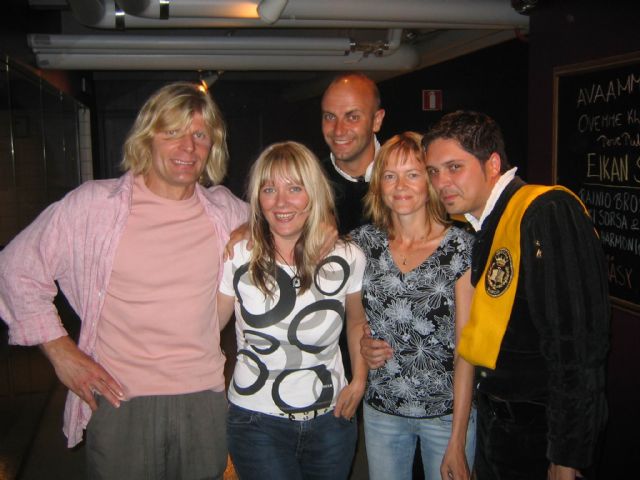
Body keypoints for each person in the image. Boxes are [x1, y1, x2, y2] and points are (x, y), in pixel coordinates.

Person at [0, 82, 249, 479]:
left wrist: (259, 230)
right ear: (147, 137)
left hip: (203, 398)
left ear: (212, 147)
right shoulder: (95, 206)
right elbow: (15, 268)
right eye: (173, 132)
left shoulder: (226, 211)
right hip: (121, 399)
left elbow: (294, 225)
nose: (188, 147)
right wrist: (61, 352)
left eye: (200, 135)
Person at [420, 110, 610, 479]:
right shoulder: (489, 224)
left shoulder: (545, 210)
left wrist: (567, 456)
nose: (441, 182)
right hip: (501, 429)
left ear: (492, 164)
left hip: (540, 438)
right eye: (433, 171)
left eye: (454, 167)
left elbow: (578, 346)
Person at [217, 141, 368, 480]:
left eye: (295, 188)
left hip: (332, 420)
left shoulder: (347, 257)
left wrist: (359, 381)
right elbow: (207, 329)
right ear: (258, 197)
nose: (281, 202)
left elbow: (356, 323)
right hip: (257, 420)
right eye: (269, 189)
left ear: (314, 194)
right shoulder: (237, 255)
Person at [351, 132, 476, 480]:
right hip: (383, 410)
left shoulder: (461, 248)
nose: (400, 186)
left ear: (430, 182)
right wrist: (362, 344)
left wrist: (458, 438)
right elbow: (354, 318)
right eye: (390, 176)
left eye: (412, 174)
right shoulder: (362, 243)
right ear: (379, 185)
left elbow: (466, 351)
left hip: (446, 415)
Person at [320, 72, 386, 234]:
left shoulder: (413, 177)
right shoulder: (309, 184)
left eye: (352, 117)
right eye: (330, 117)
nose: (338, 130)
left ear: (377, 120)